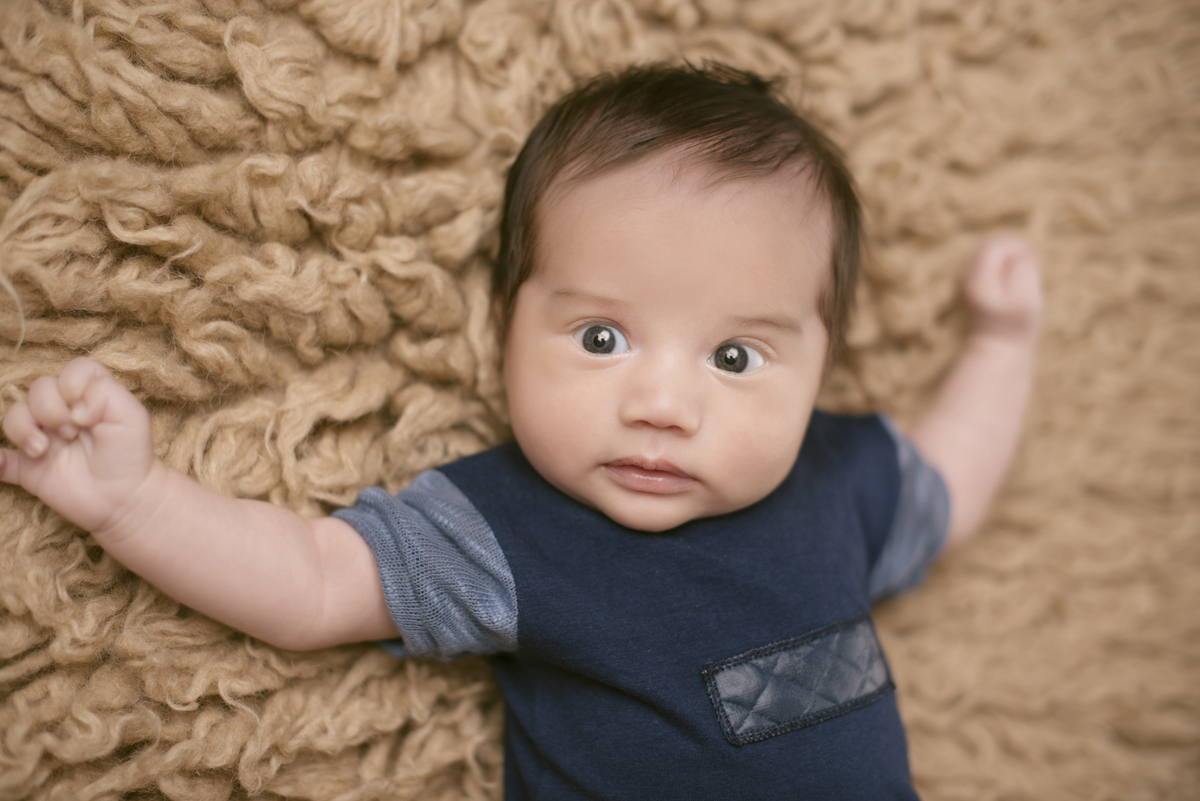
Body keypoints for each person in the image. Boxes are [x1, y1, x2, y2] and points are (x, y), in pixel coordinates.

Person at [0, 64, 1041, 799]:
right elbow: (312, 583)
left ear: (822, 363)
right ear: (504, 329)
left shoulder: (838, 475)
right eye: (600, 336)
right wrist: (135, 503)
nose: (663, 405)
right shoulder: (510, 529)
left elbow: (948, 486)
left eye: (735, 358)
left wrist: (1001, 343)